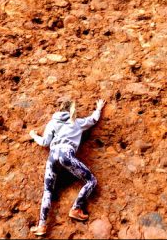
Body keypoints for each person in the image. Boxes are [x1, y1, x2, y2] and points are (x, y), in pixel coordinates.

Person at [28, 98, 106, 236]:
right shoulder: (76, 121)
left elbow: (45, 142)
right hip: (66, 154)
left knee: (48, 190)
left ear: (60, 109)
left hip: (52, 156)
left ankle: (41, 225)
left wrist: (34, 135)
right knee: (91, 181)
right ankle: (76, 208)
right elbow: (93, 120)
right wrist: (98, 108)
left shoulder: (53, 122)